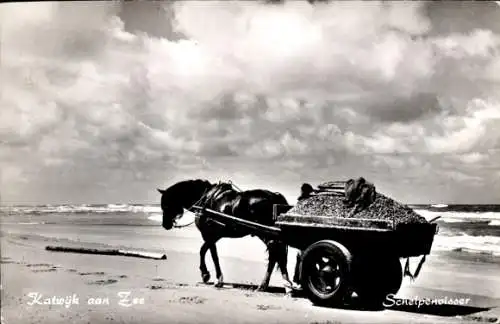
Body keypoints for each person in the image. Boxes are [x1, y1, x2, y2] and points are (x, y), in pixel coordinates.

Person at [292, 183, 316, 288]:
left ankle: (301, 282)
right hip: (310, 234)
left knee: (302, 257)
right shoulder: (314, 202)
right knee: (303, 257)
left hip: (304, 235)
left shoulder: (303, 202)